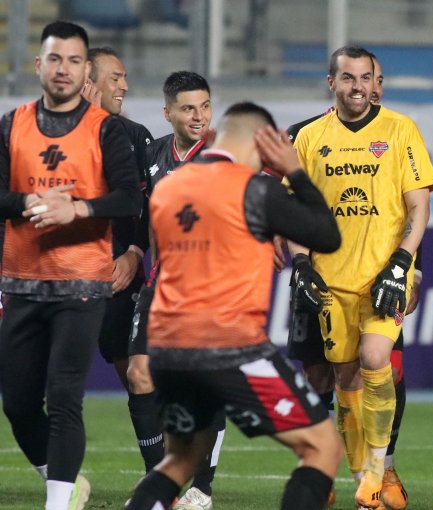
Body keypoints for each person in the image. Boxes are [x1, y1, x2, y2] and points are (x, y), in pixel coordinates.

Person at [124, 101, 343, 510]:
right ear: (265, 143)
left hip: (168, 347)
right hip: (229, 345)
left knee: (179, 459)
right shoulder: (255, 188)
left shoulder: (170, 187)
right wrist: (294, 170)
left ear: (212, 138)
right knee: (322, 448)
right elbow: (327, 236)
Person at [289, 45, 433, 509]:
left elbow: (419, 205)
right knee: (344, 380)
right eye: (348, 78)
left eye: (365, 77)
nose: (358, 87)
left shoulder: (400, 129)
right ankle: (363, 481)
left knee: (376, 359)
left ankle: (376, 472)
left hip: (383, 277)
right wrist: (299, 264)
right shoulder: (310, 138)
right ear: (331, 82)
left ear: (376, 82)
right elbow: (294, 211)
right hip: (331, 279)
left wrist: (402, 262)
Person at [0, 20, 142, 510]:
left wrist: (77, 208)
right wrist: (31, 201)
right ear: (38, 64)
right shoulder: (11, 124)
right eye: (54, 59)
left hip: (82, 283)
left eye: (74, 61)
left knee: (64, 398)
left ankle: (57, 504)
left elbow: (129, 199)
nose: (63, 69)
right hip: (22, 282)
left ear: (85, 73)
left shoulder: (107, 129)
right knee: (17, 404)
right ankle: (62, 480)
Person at [129, 71, 224, 510]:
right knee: (139, 374)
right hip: (162, 285)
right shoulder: (151, 155)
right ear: (168, 112)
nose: (199, 115)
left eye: (204, 106)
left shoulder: (224, 158)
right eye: (188, 108)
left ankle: (201, 489)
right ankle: (161, 484)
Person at [83, 45, 162, 473]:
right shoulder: (55, 133)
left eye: (125, 77)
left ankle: (161, 471)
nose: (125, 86)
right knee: (48, 379)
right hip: (66, 276)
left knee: (131, 372)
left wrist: (134, 251)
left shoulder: (136, 137)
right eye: (116, 77)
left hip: (119, 274)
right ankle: (59, 477)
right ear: (88, 81)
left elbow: (151, 208)